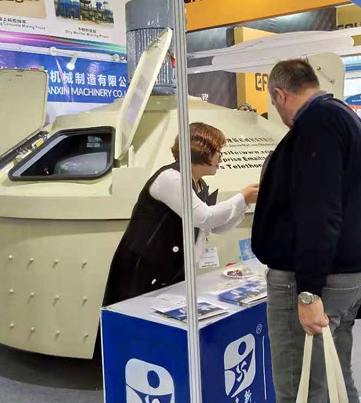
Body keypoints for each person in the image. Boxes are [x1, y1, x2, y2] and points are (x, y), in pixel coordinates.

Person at [252, 59, 361, 403]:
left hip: (317, 280)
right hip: (351, 271)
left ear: (279, 94)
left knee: (298, 395)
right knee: (336, 380)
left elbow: (318, 213)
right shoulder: (344, 116)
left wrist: (308, 291)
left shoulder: (315, 125)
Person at [103, 122, 259, 305]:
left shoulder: (197, 183)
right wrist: (242, 197)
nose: (221, 159)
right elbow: (204, 218)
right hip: (143, 270)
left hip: (170, 269)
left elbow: (214, 227)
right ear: (202, 150)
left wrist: (245, 203)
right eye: (219, 152)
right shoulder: (170, 178)